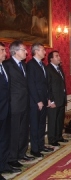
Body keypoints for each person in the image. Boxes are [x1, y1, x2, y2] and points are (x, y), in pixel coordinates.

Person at [4, 41, 35, 169]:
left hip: (25, 103)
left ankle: (21, 153)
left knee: (23, 131)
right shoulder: (7, 65)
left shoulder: (24, 65)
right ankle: (12, 158)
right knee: (14, 132)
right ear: (15, 51)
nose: (26, 52)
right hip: (14, 105)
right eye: (23, 50)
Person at [27, 43, 53, 158]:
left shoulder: (42, 64)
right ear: (36, 51)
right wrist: (38, 101)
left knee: (42, 124)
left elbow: (45, 84)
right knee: (35, 125)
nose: (45, 52)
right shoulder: (31, 65)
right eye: (43, 50)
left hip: (43, 99)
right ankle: (34, 149)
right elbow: (31, 84)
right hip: (35, 101)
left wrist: (47, 99)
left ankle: (41, 145)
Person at [0, 42, 21, 180]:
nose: (5, 52)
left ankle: (3, 165)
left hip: (6, 110)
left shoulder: (3, 67)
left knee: (4, 140)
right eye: (2, 50)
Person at [46, 50, 68, 147]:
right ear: (51, 59)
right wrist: (51, 100)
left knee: (60, 119)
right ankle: (52, 139)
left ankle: (59, 136)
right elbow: (48, 86)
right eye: (56, 56)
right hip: (54, 99)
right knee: (53, 120)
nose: (59, 57)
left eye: (59, 55)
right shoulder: (48, 69)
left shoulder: (59, 68)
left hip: (61, 98)